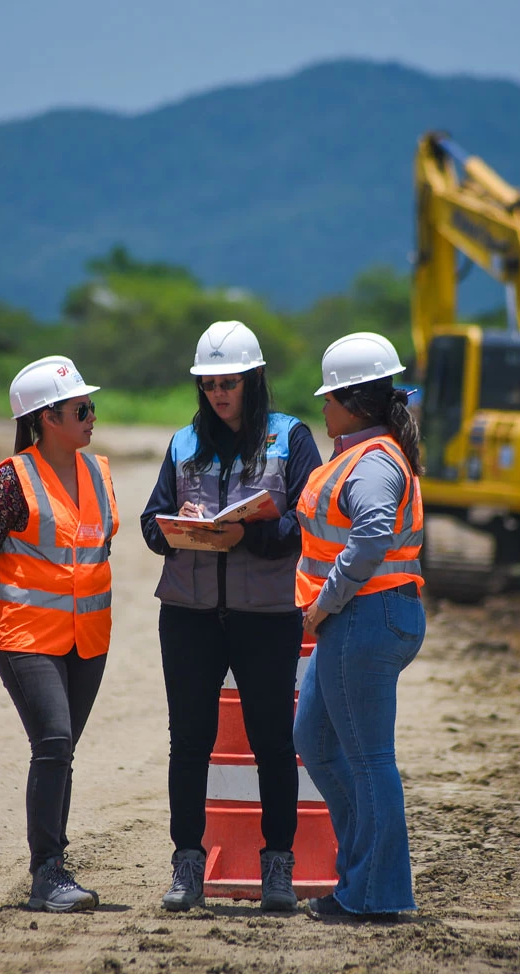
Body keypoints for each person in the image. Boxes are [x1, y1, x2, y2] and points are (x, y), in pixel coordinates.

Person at [139, 321, 323, 912]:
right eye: (210, 383)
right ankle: (186, 867)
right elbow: (150, 525)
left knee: (274, 742)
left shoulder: (291, 438)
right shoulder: (182, 443)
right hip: (189, 617)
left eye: (230, 383)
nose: (219, 393)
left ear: (253, 381)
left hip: (266, 616)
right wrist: (181, 527)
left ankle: (279, 871)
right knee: (188, 742)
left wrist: (252, 533)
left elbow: (307, 525)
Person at [292, 331, 426, 920]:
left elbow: (371, 535)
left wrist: (326, 599)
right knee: (316, 741)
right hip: (364, 617)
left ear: (352, 402)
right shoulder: (366, 453)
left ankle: (372, 893)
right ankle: (365, 874)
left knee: (370, 759)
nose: (322, 407)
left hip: (364, 616)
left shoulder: (374, 461)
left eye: (328, 398)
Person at [0, 355, 118, 913]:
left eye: (91, 406)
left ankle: (53, 868)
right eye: (80, 409)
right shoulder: (9, 480)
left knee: (62, 752)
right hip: (25, 637)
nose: (91, 417)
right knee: (54, 742)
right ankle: (47, 874)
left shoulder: (100, 472)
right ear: (46, 418)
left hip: (87, 639)